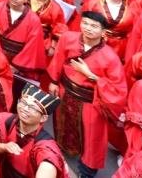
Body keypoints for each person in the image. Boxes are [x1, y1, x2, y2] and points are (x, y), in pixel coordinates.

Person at [48, 11, 127, 178]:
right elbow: (58, 58)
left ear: (103, 32)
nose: (88, 28)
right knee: (63, 124)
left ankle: (86, 172)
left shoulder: (110, 57)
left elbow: (118, 89)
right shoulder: (68, 38)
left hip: (90, 101)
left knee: (92, 139)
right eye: (85, 23)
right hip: (66, 91)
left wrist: (91, 75)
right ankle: (60, 155)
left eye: (94, 26)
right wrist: (54, 81)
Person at [0, 84, 67, 178]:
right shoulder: (7, 120)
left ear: (43, 118)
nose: (25, 109)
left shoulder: (45, 145)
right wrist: (3, 147)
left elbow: (48, 165)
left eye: (32, 108)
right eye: (23, 103)